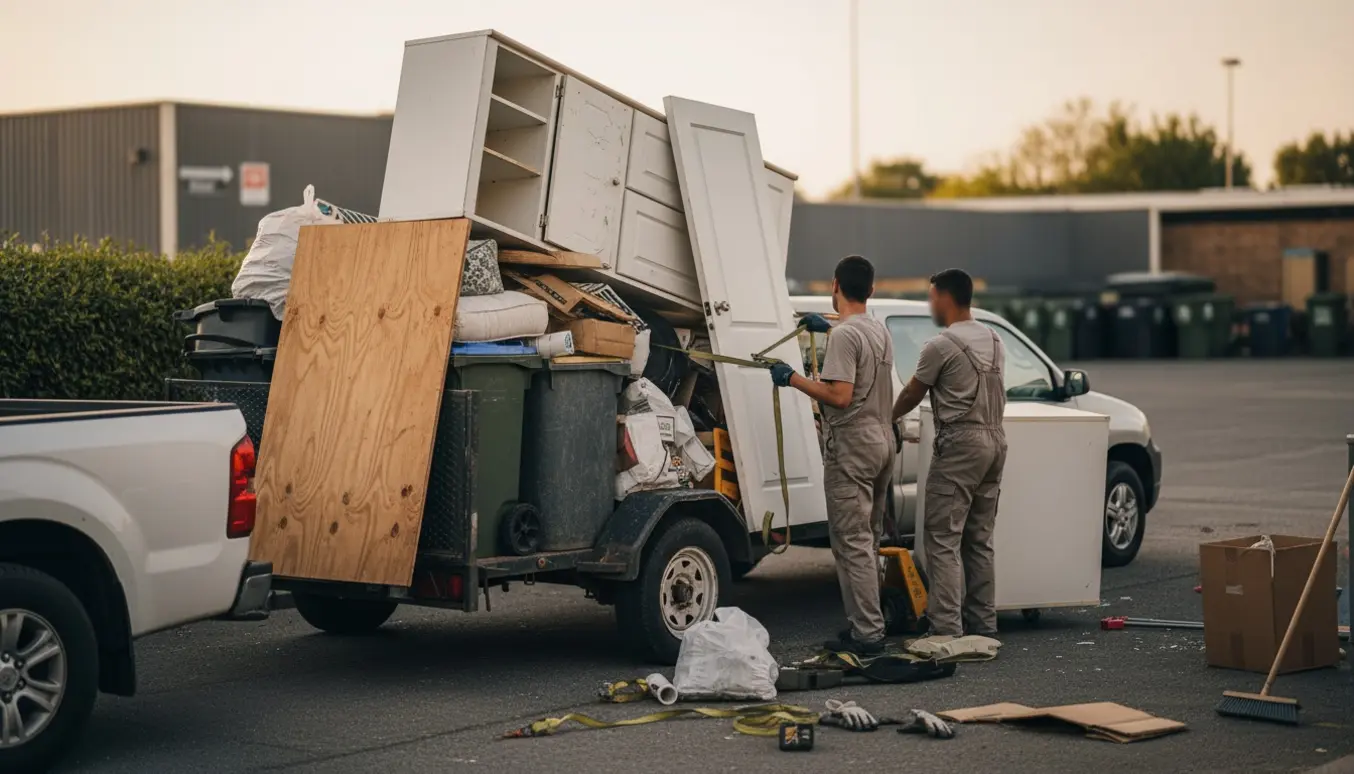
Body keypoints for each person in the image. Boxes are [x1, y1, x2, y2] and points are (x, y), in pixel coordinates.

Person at [770, 255, 895, 654]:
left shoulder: (844, 337)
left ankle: (868, 635)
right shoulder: (876, 329)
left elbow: (840, 397)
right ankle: (873, 623)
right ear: (872, 290)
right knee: (869, 538)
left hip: (853, 446)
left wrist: (792, 379)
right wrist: (828, 330)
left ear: (834, 285)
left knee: (852, 542)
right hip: (881, 442)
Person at [890, 268, 1007, 640]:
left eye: (931, 296)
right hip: (995, 442)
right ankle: (984, 626)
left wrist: (885, 417)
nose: (930, 304)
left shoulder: (941, 345)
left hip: (960, 445)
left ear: (944, 297)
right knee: (980, 539)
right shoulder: (994, 340)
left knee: (941, 539)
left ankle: (945, 629)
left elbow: (912, 393)